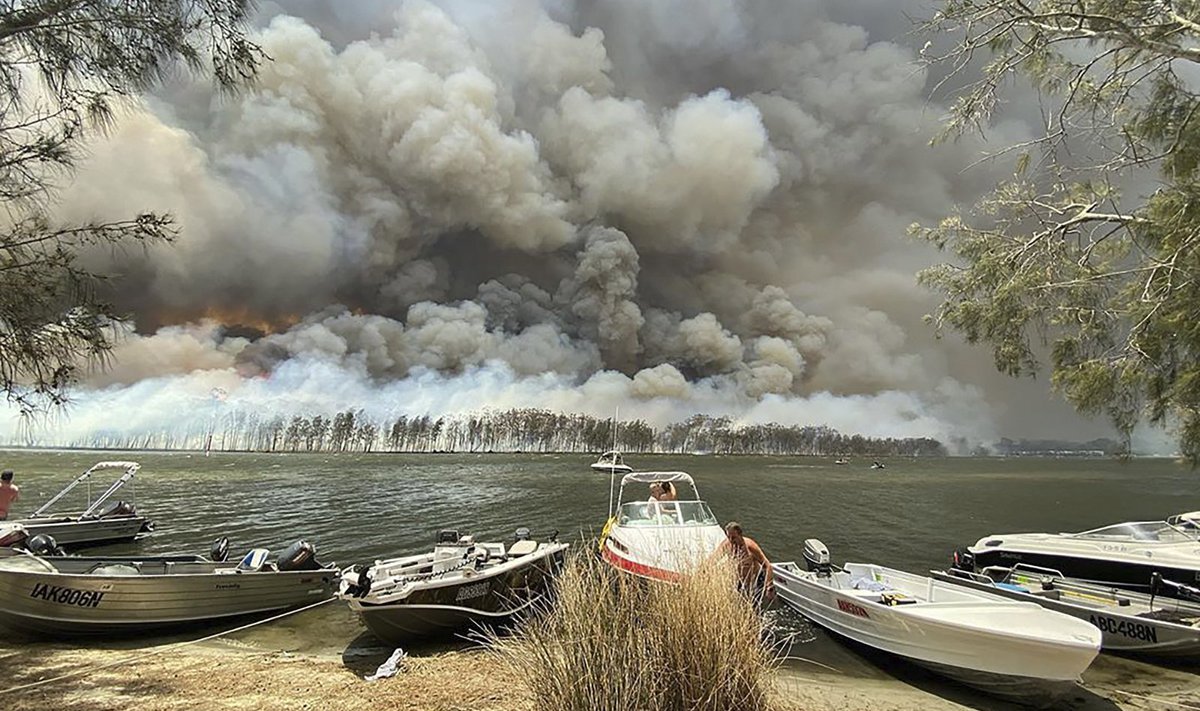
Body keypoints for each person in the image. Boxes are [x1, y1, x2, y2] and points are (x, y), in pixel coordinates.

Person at [716, 521, 774, 602]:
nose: (731, 540)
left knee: (754, 607)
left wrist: (769, 586)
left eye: (733, 537)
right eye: (728, 537)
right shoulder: (727, 544)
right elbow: (713, 559)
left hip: (754, 581)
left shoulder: (750, 546)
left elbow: (767, 566)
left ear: (740, 535)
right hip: (739, 580)